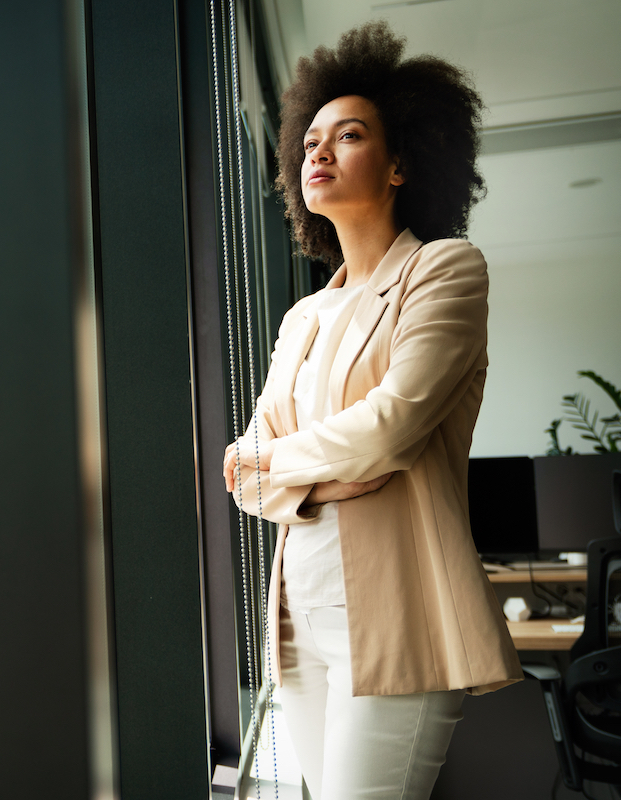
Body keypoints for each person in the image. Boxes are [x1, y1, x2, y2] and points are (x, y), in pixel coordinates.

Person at [221, 20, 521, 800]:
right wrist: (322, 470)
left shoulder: (443, 270)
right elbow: (241, 477)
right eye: (311, 141)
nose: (318, 152)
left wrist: (284, 467)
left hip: (395, 616)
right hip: (299, 625)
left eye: (347, 136)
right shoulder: (301, 319)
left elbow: (389, 430)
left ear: (398, 165)